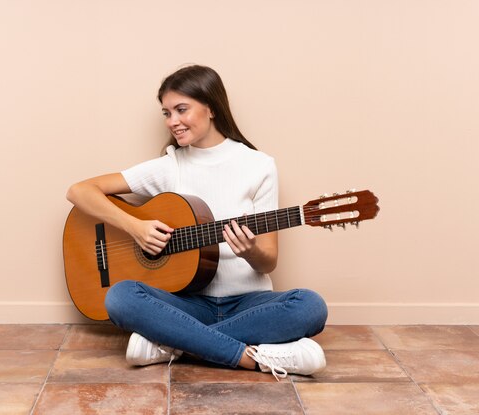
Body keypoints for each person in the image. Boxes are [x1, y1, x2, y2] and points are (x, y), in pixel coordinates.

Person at [66, 65, 328, 380]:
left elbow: (268, 261)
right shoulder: (169, 166)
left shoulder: (259, 166)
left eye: (181, 109)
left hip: (248, 303)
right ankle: (252, 358)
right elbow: (79, 191)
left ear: (212, 108)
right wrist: (135, 227)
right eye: (166, 112)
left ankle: (171, 344)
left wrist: (249, 251)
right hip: (185, 303)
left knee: (310, 307)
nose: (172, 121)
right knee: (120, 297)